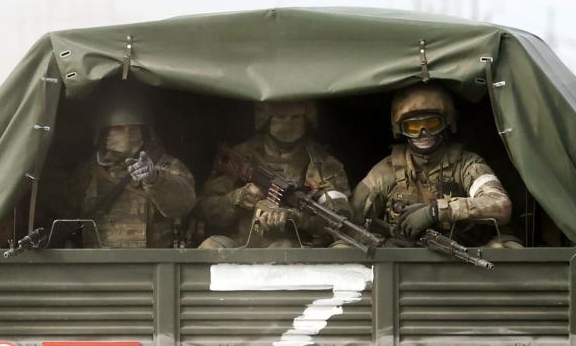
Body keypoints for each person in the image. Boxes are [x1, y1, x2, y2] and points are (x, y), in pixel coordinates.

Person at [352, 84, 518, 247]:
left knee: (509, 247)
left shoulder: (468, 165)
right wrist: (384, 245)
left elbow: (500, 205)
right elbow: (349, 223)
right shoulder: (385, 173)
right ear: (400, 130)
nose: (422, 133)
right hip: (403, 263)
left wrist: (437, 211)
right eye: (413, 127)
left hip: (467, 259)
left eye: (432, 124)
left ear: (447, 123)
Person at [198, 101, 351, 249]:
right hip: (242, 244)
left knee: (284, 248)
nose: (288, 123)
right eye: (280, 117)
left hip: (293, 248)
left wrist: (297, 218)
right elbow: (205, 209)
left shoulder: (322, 163)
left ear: (306, 120)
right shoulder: (242, 155)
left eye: (296, 117)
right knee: (210, 247)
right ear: (267, 119)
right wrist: (236, 199)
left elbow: (337, 221)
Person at [62, 85, 197, 248]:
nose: (127, 135)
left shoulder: (166, 165)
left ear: (144, 131)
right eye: (119, 128)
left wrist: (155, 178)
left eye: (134, 129)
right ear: (104, 133)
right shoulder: (88, 171)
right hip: (97, 266)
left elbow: (184, 204)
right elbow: (66, 211)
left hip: (153, 266)